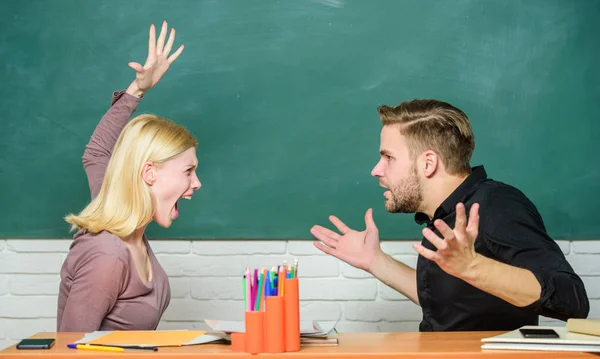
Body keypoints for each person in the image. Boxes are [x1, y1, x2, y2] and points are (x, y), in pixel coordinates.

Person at [310, 99, 589, 331]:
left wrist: (473, 267)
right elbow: (449, 303)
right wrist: (375, 261)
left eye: (388, 157)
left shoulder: (496, 205)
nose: (376, 170)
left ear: (428, 163)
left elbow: (572, 299)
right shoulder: (443, 218)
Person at [57, 21, 200, 331]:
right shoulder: (107, 255)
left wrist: (138, 89)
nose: (197, 183)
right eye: (189, 171)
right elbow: (69, 351)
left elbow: (96, 154)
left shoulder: (115, 211)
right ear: (149, 173)